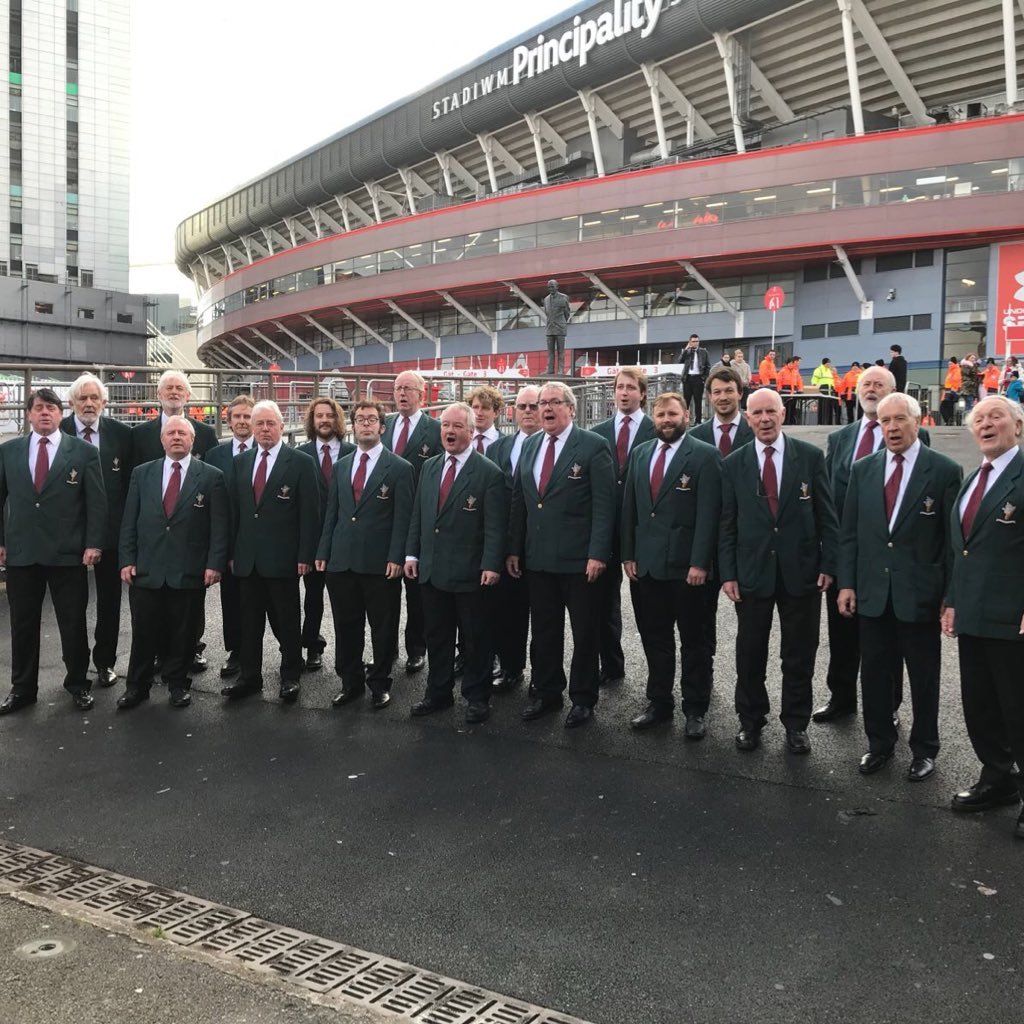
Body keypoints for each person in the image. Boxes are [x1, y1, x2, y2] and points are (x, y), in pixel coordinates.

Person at [837, 393, 961, 780]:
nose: (891, 427)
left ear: (917, 421)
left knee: (923, 677)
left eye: (899, 420)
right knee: (874, 673)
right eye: (885, 421)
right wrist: (847, 584)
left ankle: (924, 749)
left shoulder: (944, 471)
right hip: (873, 592)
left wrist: (949, 596)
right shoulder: (864, 469)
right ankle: (879, 744)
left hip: (919, 594)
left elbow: (952, 542)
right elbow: (850, 533)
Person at [719, 387, 839, 754]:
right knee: (750, 651)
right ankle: (750, 721)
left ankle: (796, 724)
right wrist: (728, 573)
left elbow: (826, 517)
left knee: (799, 654)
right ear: (748, 417)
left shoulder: (810, 457)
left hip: (801, 572)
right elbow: (727, 523)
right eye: (757, 413)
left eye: (771, 411)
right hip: (752, 572)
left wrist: (829, 564)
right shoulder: (734, 463)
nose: (765, 419)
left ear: (784, 414)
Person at [816, 366, 927, 724]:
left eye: (880, 384)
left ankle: (888, 706)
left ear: (894, 392)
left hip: (889, 557)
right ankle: (842, 697)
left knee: (887, 639)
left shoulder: (914, 435)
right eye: (866, 384)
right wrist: (830, 557)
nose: (871, 388)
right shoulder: (840, 438)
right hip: (846, 555)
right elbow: (829, 500)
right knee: (842, 631)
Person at [507, 381, 616, 728]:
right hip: (538, 560)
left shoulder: (594, 446)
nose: (547, 409)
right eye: (542, 403)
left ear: (571, 408)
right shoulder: (530, 446)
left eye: (555, 402)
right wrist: (514, 548)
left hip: (580, 561)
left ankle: (583, 699)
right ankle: (548, 692)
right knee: (544, 630)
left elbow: (604, 505)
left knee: (584, 632)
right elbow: (520, 501)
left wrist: (598, 553)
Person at [942, 396, 1024, 839]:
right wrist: (953, 601)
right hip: (973, 612)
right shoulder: (975, 479)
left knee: (1018, 707)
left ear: (1018, 426)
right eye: (980, 419)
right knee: (980, 703)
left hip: (1012, 616)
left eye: (997, 417)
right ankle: (997, 779)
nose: (987, 424)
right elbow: (962, 551)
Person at [0, 388, 106, 715]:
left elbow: (97, 503)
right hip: (22, 552)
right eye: (39, 408)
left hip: (68, 553)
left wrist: (93, 543)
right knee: (23, 624)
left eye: (51, 408)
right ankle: (22, 689)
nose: (45, 413)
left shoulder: (84, 452)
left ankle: (77, 683)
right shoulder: (9, 452)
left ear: (61, 414)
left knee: (72, 622)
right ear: (29, 414)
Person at [621, 392, 721, 737]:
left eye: (672, 414)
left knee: (694, 641)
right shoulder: (640, 454)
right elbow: (630, 509)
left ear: (686, 417)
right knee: (655, 637)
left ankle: (695, 709)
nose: (666, 420)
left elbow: (709, 515)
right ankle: (659, 702)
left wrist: (700, 562)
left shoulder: (705, 457)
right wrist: (629, 554)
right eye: (661, 414)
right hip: (647, 567)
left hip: (687, 570)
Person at [117, 417, 229, 710]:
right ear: (162, 440)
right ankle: (136, 687)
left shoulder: (211, 476)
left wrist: (214, 564)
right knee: (143, 632)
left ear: (193, 440)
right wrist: (127, 559)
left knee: (184, 632)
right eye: (171, 433)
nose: (176, 437)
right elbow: (129, 520)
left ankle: (178, 684)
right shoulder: (142, 474)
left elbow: (219, 527)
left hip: (189, 568)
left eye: (182, 433)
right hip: (147, 567)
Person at [406, 403, 506, 723]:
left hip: (471, 572)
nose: (449, 431)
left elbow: (494, 526)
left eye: (457, 427)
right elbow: (419, 517)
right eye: (445, 425)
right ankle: (438, 693)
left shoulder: (489, 472)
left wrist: (491, 564)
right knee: (437, 636)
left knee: (476, 639)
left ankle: (477, 697)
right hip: (433, 570)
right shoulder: (430, 467)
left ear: (471, 432)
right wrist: (411, 554)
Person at [316, 400, 414, 711]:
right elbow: (333, 512)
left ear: (382, 427)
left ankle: (380, 683)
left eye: (372, 419)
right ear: (353, 426)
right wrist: (324, 551)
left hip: (380, 564)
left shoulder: (400, 468)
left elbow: (404, 518)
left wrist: (397, 556)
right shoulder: (342, 465)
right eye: (360, 419)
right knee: (346, 625)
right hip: (341, 560)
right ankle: (350, 682)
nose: (366, 424)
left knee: (382, 626)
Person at [222, 400, 321, 704]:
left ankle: (290, 676)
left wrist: (305, 555)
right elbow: (234, 513)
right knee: (249, 622)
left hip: (284, 558)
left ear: (281, 426)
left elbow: (310, 514)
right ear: (251, 427)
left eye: (270, 423)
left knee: (288, 620)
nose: (265, 429)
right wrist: (231, 552)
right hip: (247, 559)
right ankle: (249, 676)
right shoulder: (240, 463)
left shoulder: (301, 462)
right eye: (259, 424)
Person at [132, 369, 219, 674]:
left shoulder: (205, 434)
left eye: (179, 387)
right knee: (153, 603)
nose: (173, 392)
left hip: (191, 533)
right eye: (168, 387)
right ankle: (159, 653)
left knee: (189, 604)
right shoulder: (140, 435)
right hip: (155, 538)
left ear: (188, 394)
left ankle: (190, 650)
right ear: (159, 394)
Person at [59, 372, 133, 688]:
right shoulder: (58, 431)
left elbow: (131, 486)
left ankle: (105, 662)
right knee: (72, 606)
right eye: (82, 398)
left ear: (105, 402)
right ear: (72, 403)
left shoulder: (122, 435)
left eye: (94, 398)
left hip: (112, 534)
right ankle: (75, 668)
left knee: (109, 602)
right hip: (71, 536)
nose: (89, 404)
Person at [589, 368, 655, 685]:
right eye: (619, 387)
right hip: (606, 530)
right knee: (602, 605)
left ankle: (658, 675)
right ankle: (612, 665)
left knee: (650, 610)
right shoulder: (598, 432)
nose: (624, 392)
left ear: (642, 393)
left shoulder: (657, 431)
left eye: (631, 387)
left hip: (643, 533)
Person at [382, 371, 443, 674]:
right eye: (397, 389)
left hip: (419, 518)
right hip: (384, 517)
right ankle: (385, 648)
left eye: (408, 388)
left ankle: (416, 648)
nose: (402, 393)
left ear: (422, 393)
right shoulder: (385, 425)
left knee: (416, 589)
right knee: (384, 591)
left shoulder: (435, 430)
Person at [486, 385, 541, 694]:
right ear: (513, 411)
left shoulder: (549, 446)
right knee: (509, 611)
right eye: (523, 406)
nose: (528, 412)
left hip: (542, 542)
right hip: (509, 544)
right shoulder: (499, 448)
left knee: (545, 616)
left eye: (534, 406)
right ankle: (511, 667)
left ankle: (542, 675)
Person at [296, 397, 355, 672]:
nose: (324, 420)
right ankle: (311, 646)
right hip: (313, 538)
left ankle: (353, 654)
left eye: (329, 415)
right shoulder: (300, 454)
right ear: (312, 420)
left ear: (337, 419)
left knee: (349, 602)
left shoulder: (353, 452)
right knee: (313, 597)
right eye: (318, 415)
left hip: (346, 540)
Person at [204, 394, 255, 679]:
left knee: (268, 602)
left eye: (248, 416)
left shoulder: (269, 448)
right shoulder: (215, 456)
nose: (242, 422)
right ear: (229, 419)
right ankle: (236, 652)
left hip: (259, 541)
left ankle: (285, 653)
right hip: (228, 539)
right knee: (232, 599)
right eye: (237, 417)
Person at [543, 279, 572, 375]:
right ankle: (550, 369)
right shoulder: (546, 299)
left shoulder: (564, 298)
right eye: (549, 287)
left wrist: (561, 323)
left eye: (552, 286)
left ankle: (560, 370)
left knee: (561, 351)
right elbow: (547, 313)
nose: (550, 289)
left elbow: (567, 313)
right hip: (549, 328)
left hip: (560, 328)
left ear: (557, 287)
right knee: (550, 351)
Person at [681, 334, 710, 423]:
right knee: (686, 402)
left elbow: (708, 366)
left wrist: (703, 378)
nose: (695, 343)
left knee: (698, 401)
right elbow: (680, 360)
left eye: (697, 341)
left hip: (698, 378)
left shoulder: (704, 352)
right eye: (693, 341)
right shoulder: (687, 351)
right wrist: (686, 349)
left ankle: (698, 421)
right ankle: (684, 421)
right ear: (690, 342)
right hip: (688, 378)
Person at [467, 385, 504, 454]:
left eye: (485, 408)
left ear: (496, 413)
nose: (479, 413)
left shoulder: (506, 444)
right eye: (475, 407)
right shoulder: (461, 440)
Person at [811, 357, 838, 425]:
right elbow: (814, 379)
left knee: (829, 407)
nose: (829, 364)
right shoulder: (819, 370)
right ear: (825, 363)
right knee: (822, 407)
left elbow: (831, 380)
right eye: (828, 363)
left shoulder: (829, 370)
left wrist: (833, 387)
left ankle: (828, 423)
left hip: (829, 391)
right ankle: (821, 423)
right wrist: (815, 387)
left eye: (829, 363)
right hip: (822, 390)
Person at [940, 357, 962, 425]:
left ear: (954, 363)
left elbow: (956, 381)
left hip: (951, 392)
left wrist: (954, 390)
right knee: (948, 407)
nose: (949, 365)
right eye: (949, 364)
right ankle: (949, 421)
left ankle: (949, 421)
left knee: (945, 407)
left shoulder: (956, 370)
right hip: (948, 392)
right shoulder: (951, 371)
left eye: (951, 363)